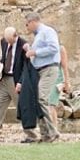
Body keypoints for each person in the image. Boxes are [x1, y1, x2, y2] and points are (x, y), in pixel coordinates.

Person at [24, 10, 62, 143]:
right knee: (38, 100)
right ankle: (45, 135)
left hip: (49, 69)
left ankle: (53, 132)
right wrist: (29, 50)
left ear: (33, 21)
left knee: (42, 99)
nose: (26, 27)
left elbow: (54, 48)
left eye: (27, 24)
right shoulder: (38, 35)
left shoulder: (47, 31)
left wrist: (35, 52)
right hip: (40, 70)